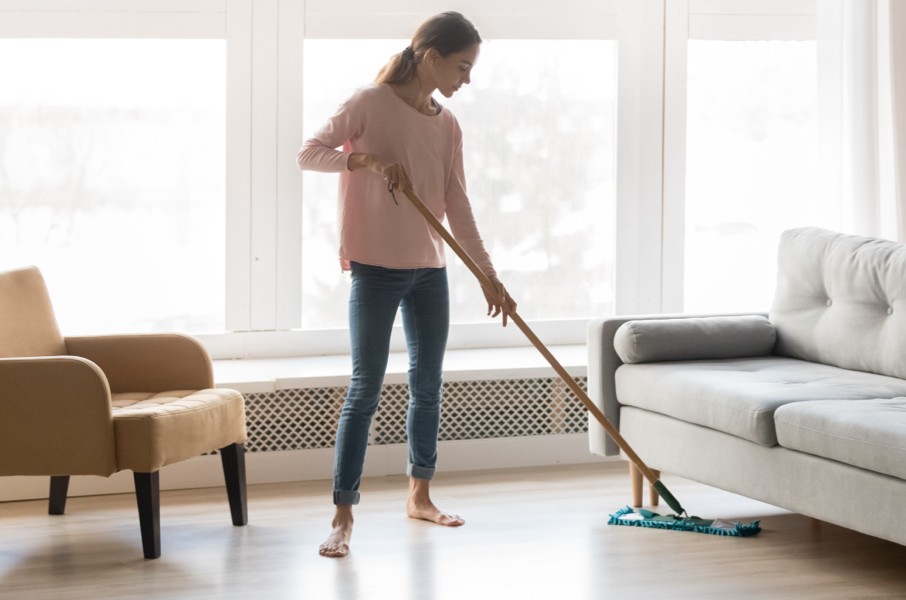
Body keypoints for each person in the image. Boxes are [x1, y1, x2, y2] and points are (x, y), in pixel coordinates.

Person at [296, 11, 515, 559]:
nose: (467, 78)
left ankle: (420, 494)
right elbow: (309, 153)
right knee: (365, 388)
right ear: (431, 56)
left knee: (428, 385)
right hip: (375, 268)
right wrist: (363, 159)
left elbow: (457, 206)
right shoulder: (369, 103)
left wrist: (489, 276)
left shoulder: (448, 125)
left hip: (429, 271)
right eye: (462, 66)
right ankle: (342, 515)